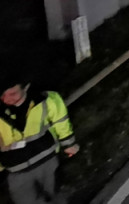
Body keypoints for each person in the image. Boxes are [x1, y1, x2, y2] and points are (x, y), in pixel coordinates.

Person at [0, 74, 78, 204]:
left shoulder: (45, 100)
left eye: (13, 94)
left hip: (47, 159)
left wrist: (68, 143)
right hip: (16, 169)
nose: (7, 99)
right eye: (3, 95)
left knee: (56, 195)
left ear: (25, 88)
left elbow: (61, 121)